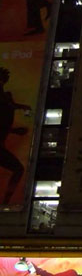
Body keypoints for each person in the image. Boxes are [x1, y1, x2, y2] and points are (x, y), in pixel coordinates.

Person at [0, 67, 31, 205]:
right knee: (18, 169)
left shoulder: (6, 97)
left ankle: (6, 201)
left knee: (18, 169)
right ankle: (6, 201)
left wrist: (15, 131)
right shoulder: (5, 99)